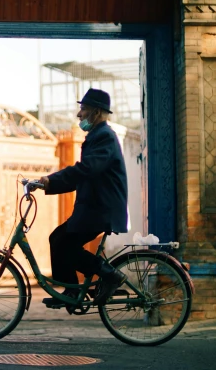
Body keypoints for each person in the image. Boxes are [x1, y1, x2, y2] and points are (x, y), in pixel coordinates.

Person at [33, 88, 129, 307]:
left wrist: (50, 180)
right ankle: (71, 290)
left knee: (63, 244)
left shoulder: (104, 136)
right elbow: (82, 176)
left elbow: (86, 169)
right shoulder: (97, 136)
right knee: (58, 240)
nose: (79, 115)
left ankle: (109, 275)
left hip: (101, 209)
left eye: (83, 109)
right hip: (94, 208)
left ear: (96, 112)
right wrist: (48, 183)